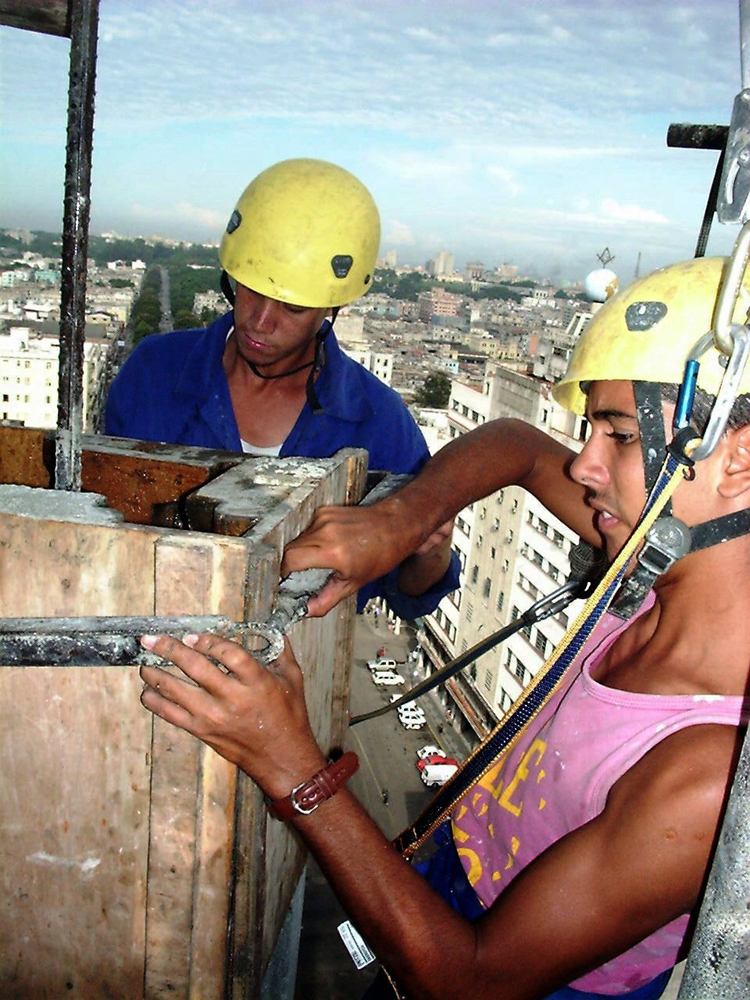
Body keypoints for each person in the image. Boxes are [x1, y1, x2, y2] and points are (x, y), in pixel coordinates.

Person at [136, 250, 750, 1000]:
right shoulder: (651, 564)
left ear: (737, 461)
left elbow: (474, 979)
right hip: (453, 876)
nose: (586, 467)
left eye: (618, 436)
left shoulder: (710, 772)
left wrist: (289, 764)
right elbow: (520, 450)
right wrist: (399, 522)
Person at [105, 157, 458, 617]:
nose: (260, 321)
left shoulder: (380, 425)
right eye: (250, 289)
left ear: (333, 306)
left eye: (291, 308)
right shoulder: (153, 373)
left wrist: (429, 549)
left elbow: (410, 596)